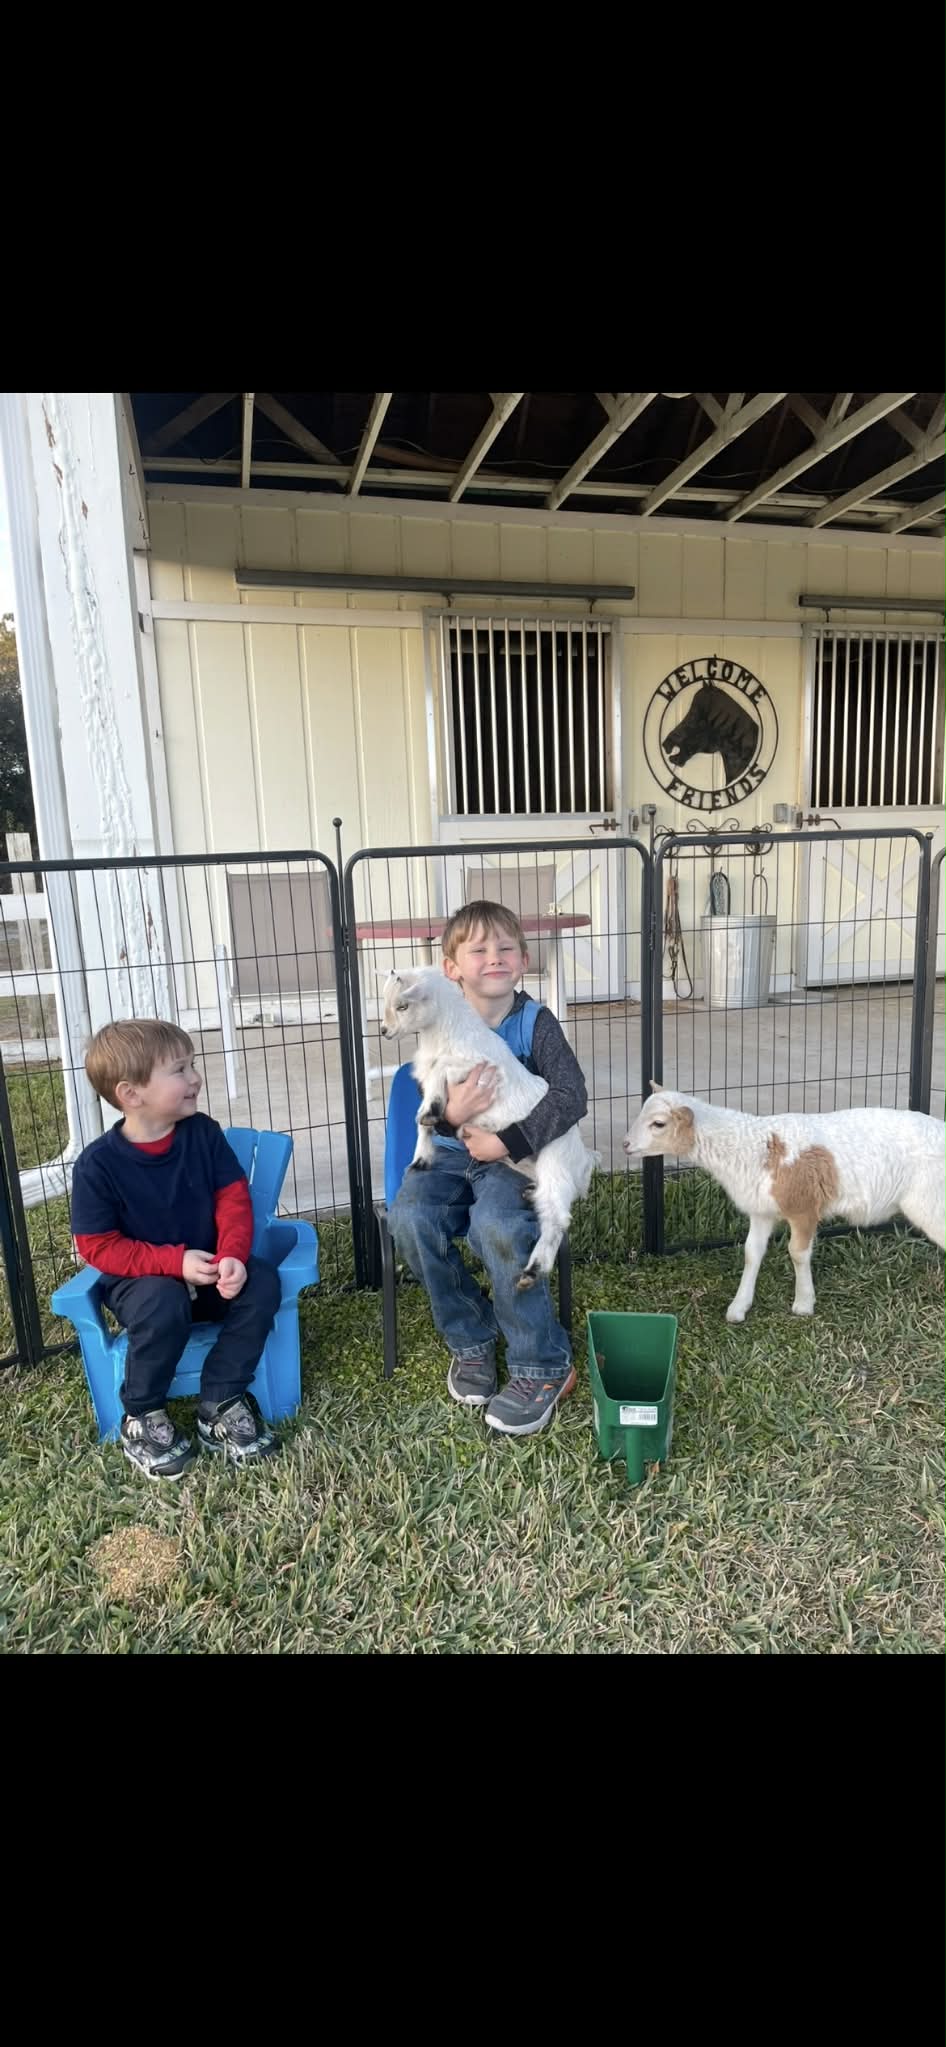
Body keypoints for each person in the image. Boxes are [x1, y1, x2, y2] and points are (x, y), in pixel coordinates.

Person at [390, 900, 588, 1436]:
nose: (493, 958)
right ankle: (471, 1337)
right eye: (477, 950)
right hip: (452, 1155)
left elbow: (571, 1097)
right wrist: (452, 1118)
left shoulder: (535, 1024)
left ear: (524, 960)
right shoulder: (439, 1017)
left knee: (498, 1226)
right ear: (451, 968)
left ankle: (540, 1364)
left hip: (518, 1160)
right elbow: (428, 1096)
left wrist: (507, 1142)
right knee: (409, 1218)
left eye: (505, 948)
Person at [70, 1019, 282, 1479]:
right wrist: (173, 1263)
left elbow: (232, 1199)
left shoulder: (202, 1134)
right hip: (144, 1287)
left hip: (211, 1273)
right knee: (162, 1299)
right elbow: (98, 1246)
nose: (194, 1078)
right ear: (131, 1094)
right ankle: (142, 1415)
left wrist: (232, 1256)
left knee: (263, 1281)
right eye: (179, 1070)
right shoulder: (98, 1166)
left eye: (192, 1065)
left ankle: (220, 1400)